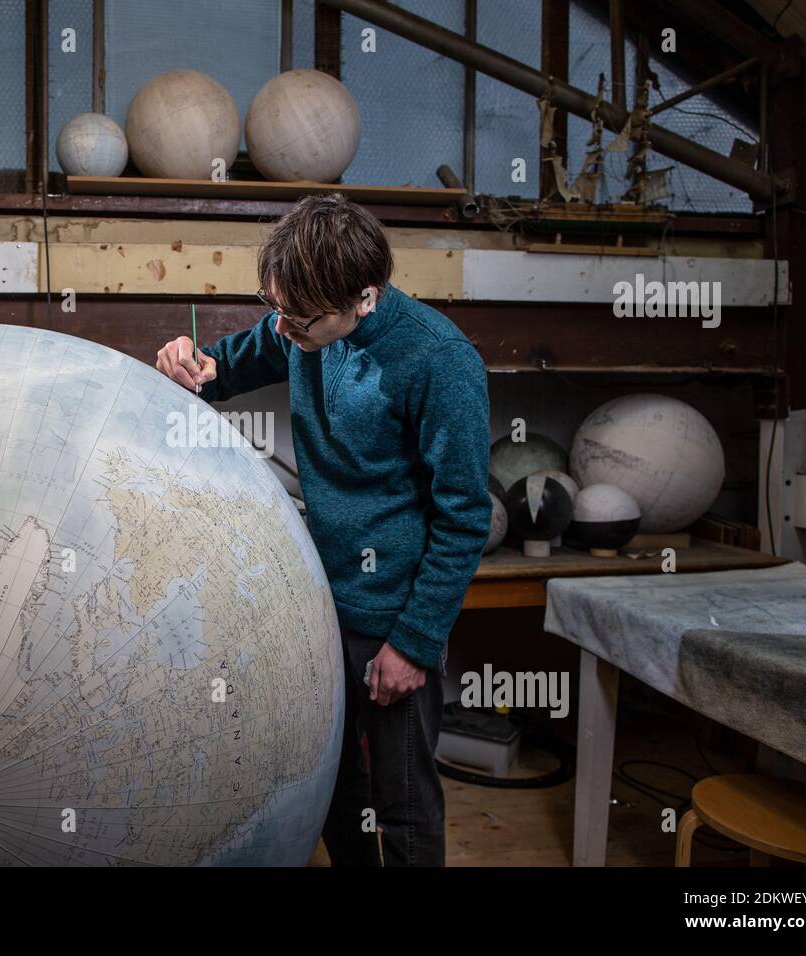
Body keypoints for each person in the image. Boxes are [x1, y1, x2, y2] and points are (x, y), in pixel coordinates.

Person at [154, 193, 490, 867]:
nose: (285, 329)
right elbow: (236, 360)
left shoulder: (439, 361)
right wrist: (193, 363)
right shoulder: (302, 328)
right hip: (316, 602)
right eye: (277, 308)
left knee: (402, 802)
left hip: (391, 617)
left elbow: (464, 519)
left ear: (364, 298)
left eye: (300, 319)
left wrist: (414, 644)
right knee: (332, 786)